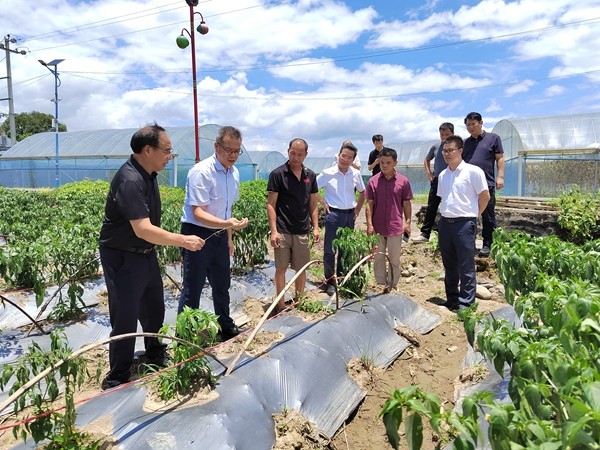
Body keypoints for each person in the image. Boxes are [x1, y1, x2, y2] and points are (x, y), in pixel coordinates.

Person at [98, 123, 205, 390]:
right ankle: (118, 376)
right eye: (167, 150)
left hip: (144, 252)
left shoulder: (149, 174)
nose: (170, 156)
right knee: (125, 315)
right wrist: (183, 240)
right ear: (148, 150)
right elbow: (142, 228)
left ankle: (154, 354)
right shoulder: (131, 179)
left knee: (153, 307)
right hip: (123, 256)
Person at [178, 126, 249, 340]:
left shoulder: (233, 173)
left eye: (237, 151)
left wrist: (228, 237)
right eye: (229, 150)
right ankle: (186, 336)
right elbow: (198, 212)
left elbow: (227, 210)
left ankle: (224, 326)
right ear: (216, 146)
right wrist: (226, 223)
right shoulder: (201, 171)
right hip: (196, 233)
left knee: (222, 284)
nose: (233, 155)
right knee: (193, 287)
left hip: (219, 234)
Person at [437, 135, 490, 310]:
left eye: (450, 150)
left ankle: (467, 303)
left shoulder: (473, 172)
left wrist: (474, 216)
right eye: (444, 151)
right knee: (449, 264)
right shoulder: (443, 175)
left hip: (464, 224)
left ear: (460, 151)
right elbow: (443, 199)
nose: (447, 154)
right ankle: (452, 299)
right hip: (445, 223)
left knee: (466, 265)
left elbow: (485, 196)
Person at [267, 138, 320, 311]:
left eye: (299, 154)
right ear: (288, 151)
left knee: (301, 269)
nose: (295, 157)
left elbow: (313, 204)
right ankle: (280, 305)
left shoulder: (310, 176)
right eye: (292, 153)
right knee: (281, 268)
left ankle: (299, 300)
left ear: (306, 154)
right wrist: (273, 231)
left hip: (302, 230)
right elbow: (271, 204)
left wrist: (316, 226)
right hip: (282, 229)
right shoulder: (278, 174)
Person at [317, 140, 366, 296]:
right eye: (343, 156)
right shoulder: (327, 173)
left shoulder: (356, 174)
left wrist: (357, 209)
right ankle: (330, 281)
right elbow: (311, 188)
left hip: (348, 216)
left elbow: (362, 192)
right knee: (330, 250)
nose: (345, 159)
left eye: (349, 157)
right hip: (333, 215)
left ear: (353, 160)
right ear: (338, 155)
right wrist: (322, 202)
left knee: (345, 249)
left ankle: (343, 280)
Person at [365, 147, 413, 291]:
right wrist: (369, 224)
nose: (385, 166)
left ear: (395, 163)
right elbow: (369, 205)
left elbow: (406, 203)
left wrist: (408, 222)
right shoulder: (373, 181)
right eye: (382, 163)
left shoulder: (403, 181)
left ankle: (392, 285)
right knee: (378, 257)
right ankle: (380, 284)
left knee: (394, 258)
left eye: (388, 163)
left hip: (395, 226)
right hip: (378, 226)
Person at [462, 112, 505, 257]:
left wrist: (500, 176)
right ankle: (470, 242)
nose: (471, 127)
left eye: (473, 124)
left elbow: (499, 159)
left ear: (481, 123)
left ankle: (487, 243)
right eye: (468, 125)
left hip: (486, 183)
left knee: (488, 215)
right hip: (468, 185)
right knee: (468, 214)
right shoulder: (465, 143)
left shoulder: (493, 138)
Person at [413, 122, 454, 243]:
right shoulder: (436, 146)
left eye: (447, 134)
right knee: (432, 207)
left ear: (452, 133)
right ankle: (425, 234)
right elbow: (426, 159)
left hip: (452, 180)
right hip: (437, 180)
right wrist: (429, 174)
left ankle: (448, 234)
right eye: (442, 134)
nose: (444, 137)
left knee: (450, 206)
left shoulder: (457, 147)